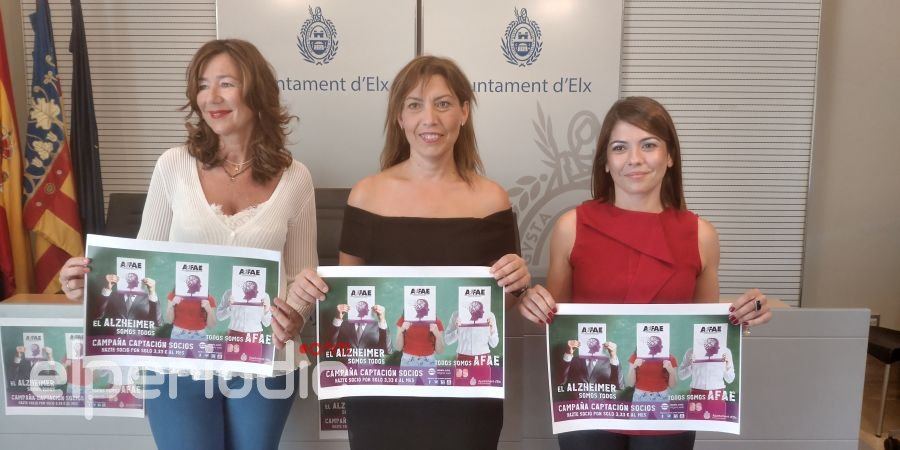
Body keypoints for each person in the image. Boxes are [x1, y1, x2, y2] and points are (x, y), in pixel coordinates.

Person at [58, 39, 317, 450]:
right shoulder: (173, 165)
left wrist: (296, 315)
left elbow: (303, 275)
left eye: (226, 83)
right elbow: (141, 265)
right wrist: (85, 286)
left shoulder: (295, 177)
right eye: (202, 85)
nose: (211, 97)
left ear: (257, 92)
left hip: (264, 357)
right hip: (177, 362)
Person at [290, 55, 531, 450]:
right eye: (415, 105)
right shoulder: (367, 194)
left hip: (466, 389)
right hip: (380, 388)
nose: (429, 118)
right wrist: (311, 290)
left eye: (443, 103)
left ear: (464, 112)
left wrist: (517, 281)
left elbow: (501, 303)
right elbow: (349, 299)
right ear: (400, 117)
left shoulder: (491, 199)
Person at [518, 97, 773, 449]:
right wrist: (532, 302)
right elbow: (555, 324)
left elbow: (702, 329)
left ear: (670, 156)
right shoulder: (571, 227)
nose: (634, 159)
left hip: (666, 409)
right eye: (619, 147)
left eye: (649, 145)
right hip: (590, 400)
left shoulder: (701, 235)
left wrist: (745, 313)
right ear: (605, 162)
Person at [677, 338, 735, 420]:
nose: (718, 347)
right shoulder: (691, 352)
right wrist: (691, 365)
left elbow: (730, 379)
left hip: (717, 396)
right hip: (697, 395)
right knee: (693, 424)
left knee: (718, 426)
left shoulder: (726, 352)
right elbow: (681, 376)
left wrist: (727, 365)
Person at [217, 281, 274, 362]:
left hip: (254, 337)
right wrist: (230, 307)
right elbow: (219, 316)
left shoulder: (264, 296)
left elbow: (267, 323)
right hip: (234, 335)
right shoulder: (229, 293)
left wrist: (267, 309)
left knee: (253, 367)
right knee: (230, 364)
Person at [445, 303, 499, 386]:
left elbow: (494, 344)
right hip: (463, 360)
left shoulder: (490, 316)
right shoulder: (456, 315)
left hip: (483, 361)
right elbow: (447, 340)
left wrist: (491, 330)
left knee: (484, 392)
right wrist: (457, 330)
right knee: (460, 392)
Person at [96, 273, 161, 325]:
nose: (138, 282)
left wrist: (152, 291)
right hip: (114, 337)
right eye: (134, 279)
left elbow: (157, 322)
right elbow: (97, 315)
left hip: (140, 337)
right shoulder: (112, 295)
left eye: (136, 279)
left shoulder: (149, 298)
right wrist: (108, 288)